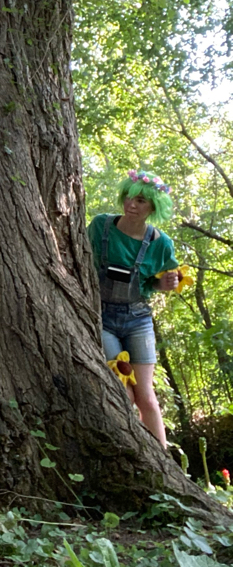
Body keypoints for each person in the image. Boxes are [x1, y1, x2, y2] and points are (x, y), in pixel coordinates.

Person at [88, 170, 180, 449]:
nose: (131, 204)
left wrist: (168, 283)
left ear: (154, 206)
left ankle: (163, 462)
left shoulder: (160, 243)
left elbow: (163, 282)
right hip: (101, 317)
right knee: (122, 392)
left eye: (140, 200)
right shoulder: (101, 227)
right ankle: (128, 451)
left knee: (146, 397)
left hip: (138, 319)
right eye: (129, 197)